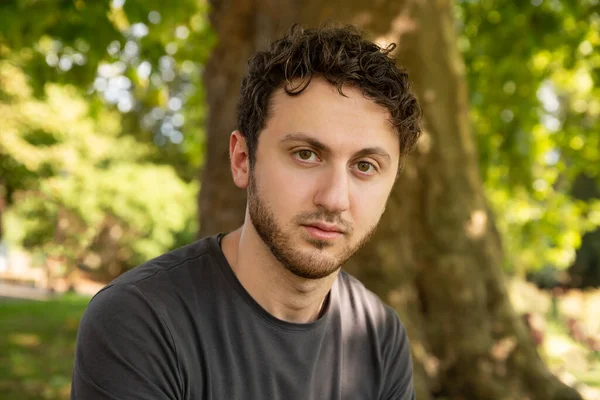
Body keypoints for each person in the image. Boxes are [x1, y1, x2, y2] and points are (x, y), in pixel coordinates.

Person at [71, 23, 422, 400]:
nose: (335, 199)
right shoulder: (140, 321)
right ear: (242, 160)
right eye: (306, 154)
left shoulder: (380, 336)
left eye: (365, 166)